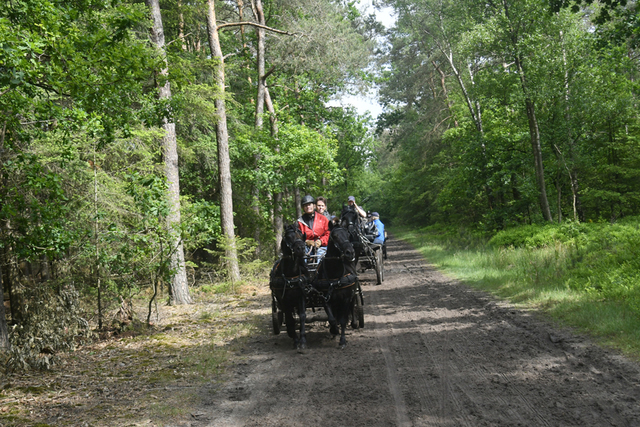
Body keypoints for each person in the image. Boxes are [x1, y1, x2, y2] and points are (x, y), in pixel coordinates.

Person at [297, 194, 330, 259]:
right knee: (302, 257)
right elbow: (298, 236)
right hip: (306, 247)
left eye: (309, 205)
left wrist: (321, 241)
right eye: (306, 205)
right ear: (303, 208)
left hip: (322, 246)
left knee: (321, 258)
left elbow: (328, 233)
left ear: (314, 206)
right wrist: (306, 242)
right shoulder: (300, 222)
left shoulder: (323, 219)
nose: (308, 207)